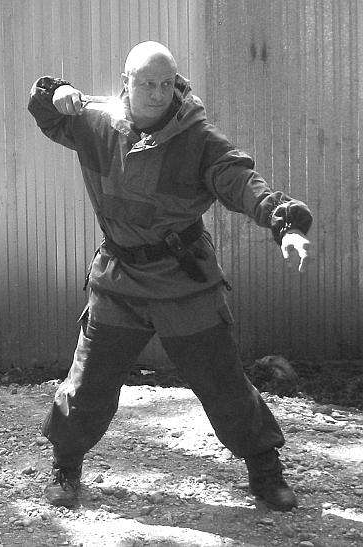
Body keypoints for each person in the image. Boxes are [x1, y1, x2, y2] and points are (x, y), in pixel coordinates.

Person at [28, 41, 313, 511]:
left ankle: (266, 472)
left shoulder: (198, 138)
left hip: (183, 281)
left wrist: (284, 224)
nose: (158, 94)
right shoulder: (96, 123)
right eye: (147, 84)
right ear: (126, 83)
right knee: (90, 381)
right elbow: (47, 112)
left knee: (222, 381)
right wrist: (55, 91)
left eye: (166, 83)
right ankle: (66, 466)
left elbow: (241, 180)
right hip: (119, 279)